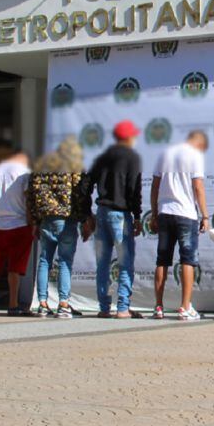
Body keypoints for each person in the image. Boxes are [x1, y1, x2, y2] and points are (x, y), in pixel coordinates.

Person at [85, 120, 143, 318]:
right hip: (121, 215)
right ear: (128, 138)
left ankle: (103, 308)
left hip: (101, 212)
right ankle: (122, 308)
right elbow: (135, 188)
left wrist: (87, 213)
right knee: (125, 262)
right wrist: (137, 215)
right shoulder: (132, 158)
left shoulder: (102, 158)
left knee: (103, 263)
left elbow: (86, 184)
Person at [151, 131, 209, 321]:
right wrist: (205, 215)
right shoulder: (195, 156)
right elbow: (198, 187)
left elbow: (155, 185)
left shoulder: (165, 153)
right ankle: (185, 307)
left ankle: (158, 306)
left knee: (162, 260)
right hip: (186, 214)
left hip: (165, 211)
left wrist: (154, 213)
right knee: (187, 260)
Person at [29, 138, 91, 319]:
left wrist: (35, 219)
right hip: (66, 219)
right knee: (65, 261)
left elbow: (31, 194)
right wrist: (83, 218)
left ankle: (42, 303)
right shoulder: (74, 166)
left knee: (44, 260)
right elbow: (80, 194)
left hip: (46, 219)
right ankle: (63, 304)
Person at [0, 149, 33, 316]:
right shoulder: (25, 173)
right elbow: (28, 201)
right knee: (14, 268)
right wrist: (31, 222)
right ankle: (13, 304)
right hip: (19, 224)